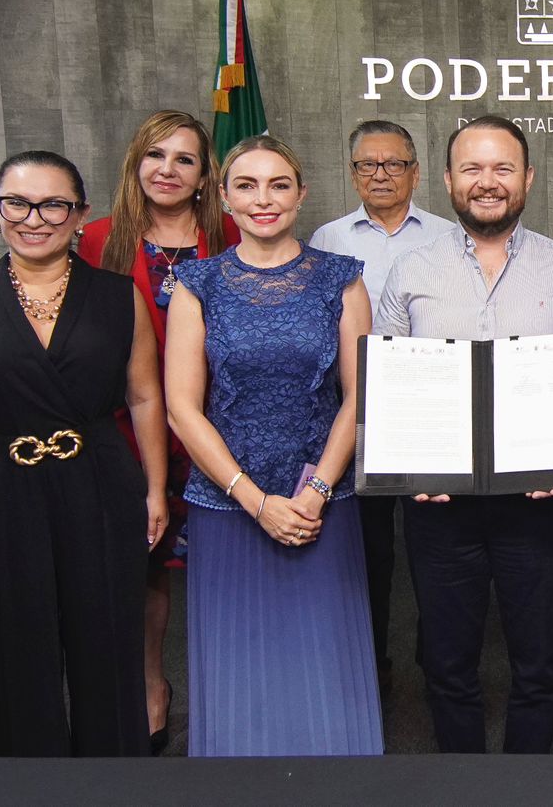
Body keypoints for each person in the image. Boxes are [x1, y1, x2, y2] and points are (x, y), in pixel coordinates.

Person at [374, 115, 553, 754]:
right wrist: (406, 467)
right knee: (447, 661)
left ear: (528, 178)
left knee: (536, 662)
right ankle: (463, 781)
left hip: (535, 505)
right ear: (450, 180)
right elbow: (388, 375)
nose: (489, 182)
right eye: (473, 169)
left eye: (503, 168)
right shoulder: (411, 270)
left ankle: (528, 780)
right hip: (437, 505)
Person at [0, 150, 166, 756]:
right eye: (18, 203)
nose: (35, 217)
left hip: (100, 485)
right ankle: (24, 787)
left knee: (107, 645)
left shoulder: (117, 297)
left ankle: (113, 785)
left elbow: (143, 398)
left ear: (80, 214)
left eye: (54, 203)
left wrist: (156, 490)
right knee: (12, 650)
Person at [165, 135, 381, 756]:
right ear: (223, 198)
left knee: (322, 658)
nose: (265, 199)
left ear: (301, 194)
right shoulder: (196, 283)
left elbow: (359, 396)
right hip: (227, 505)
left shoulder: (341, 279)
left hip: (321, 506)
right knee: (240, 660)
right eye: (247, 185)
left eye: (279, 184)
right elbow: (182, 407)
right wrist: (256, 500)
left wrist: (314, 492)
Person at [77, 109, 239, 753]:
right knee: (141, 568)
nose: (167, 170)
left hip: (216, 425)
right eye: (155, 155)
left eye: (185, 159)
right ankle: (150, 686)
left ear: (205, 175)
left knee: (224, 564)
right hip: (127, 427)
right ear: (136, 163)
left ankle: (228, 695)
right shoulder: (95, 239)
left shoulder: (229, 230)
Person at [310, 119, 453, 694]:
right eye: (367, 165)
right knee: (365, 552)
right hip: (354, 412)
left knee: (435, 546)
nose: (381, 174)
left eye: (393, 164)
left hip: (430, 413)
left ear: (416, 172)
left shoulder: (447, 236)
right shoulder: (327, 239)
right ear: (352, 174)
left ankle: (435, 660)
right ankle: (370, 667)